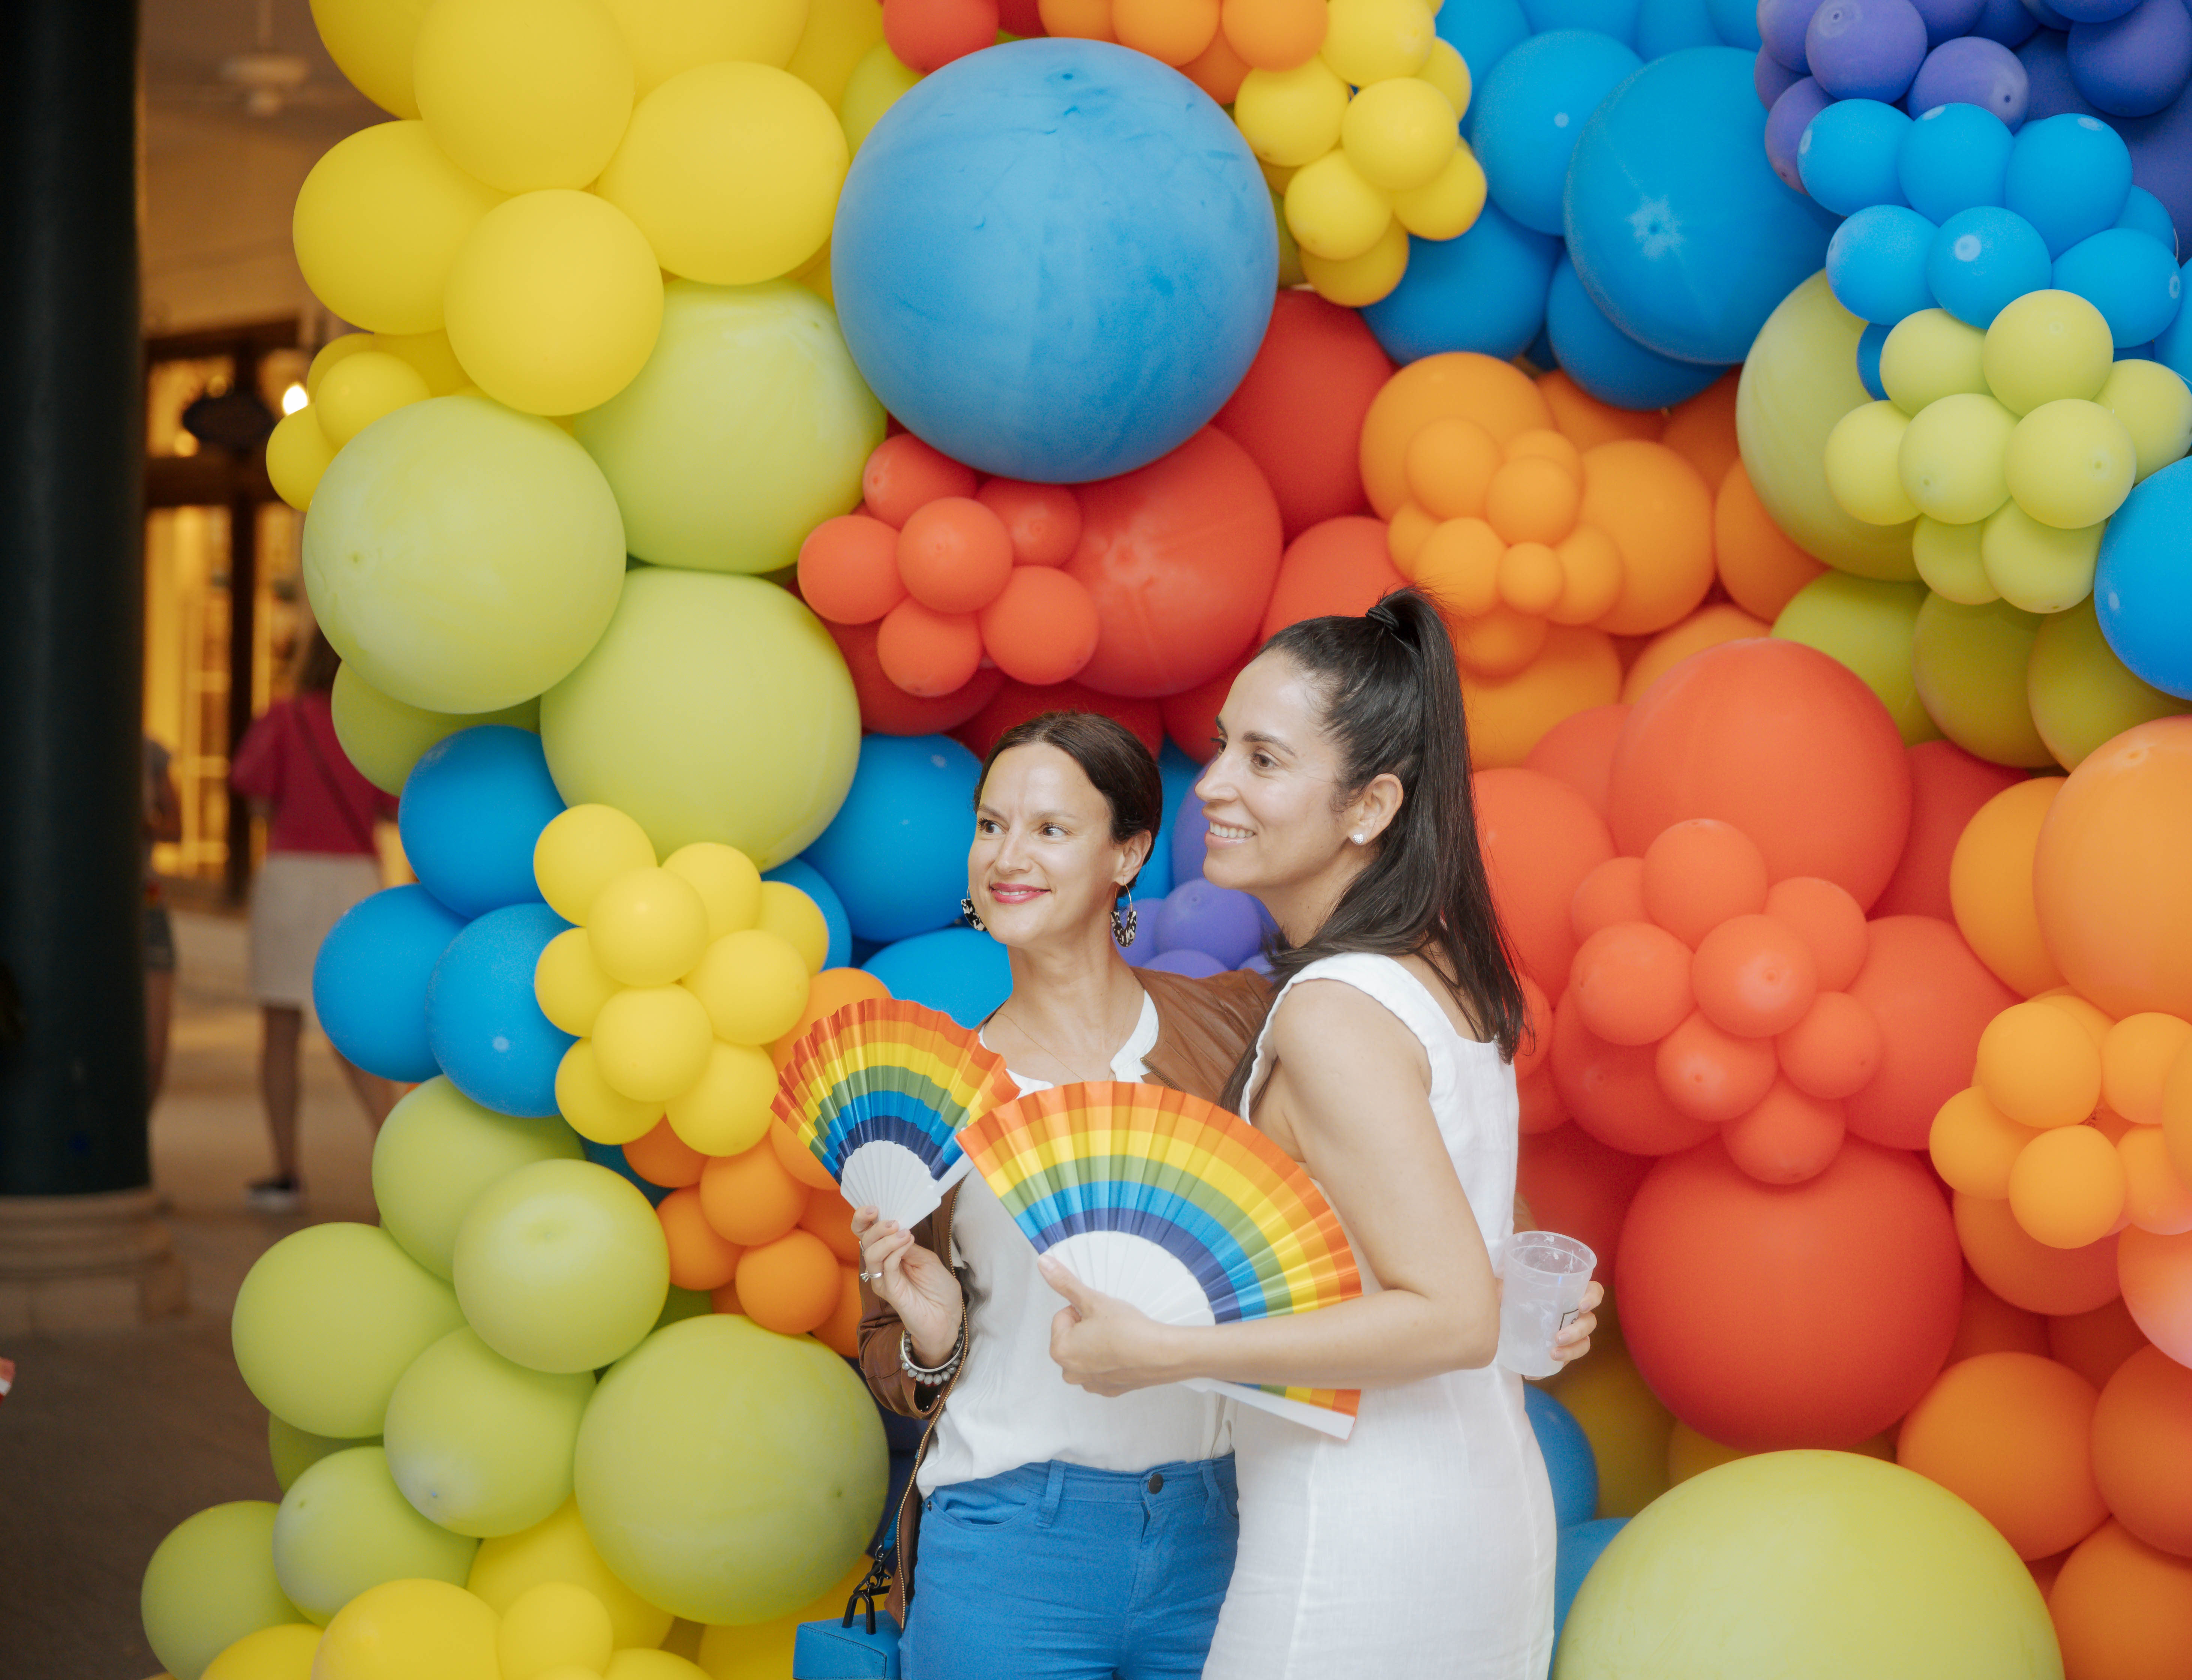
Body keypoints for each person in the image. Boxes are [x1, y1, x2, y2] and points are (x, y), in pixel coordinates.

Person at [1042, 591, 1599, 1680]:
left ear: (1368, 805)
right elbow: (1466, 1228)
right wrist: (1534, 1284)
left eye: (1261, 760)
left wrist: (1165, 1354)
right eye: (1219, 750)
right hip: (1474, 1504)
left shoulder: (1335, 1010)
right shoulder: (1439, 977)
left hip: (1363, 1533)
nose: (1210, 787)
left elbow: (1450, 1314)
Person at [851, 711, 1271, 1680]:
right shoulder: (929, 1095)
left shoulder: (1236, 1028)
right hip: (1007, 1539)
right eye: (990, 825)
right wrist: (932, 1334)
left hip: (1219, 1526)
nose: (1007, 856)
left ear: (1128, 853)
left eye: (1049, 829)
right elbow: (891, 1364)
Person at [228, 627, 400, 1211]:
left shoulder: (283, 718)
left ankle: (285, 1173)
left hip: (291, 877)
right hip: (354, 880)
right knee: (357, 1032)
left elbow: (253, 793)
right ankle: (399, 1166)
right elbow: (393, 804)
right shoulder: (369, 729)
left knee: (278, 1030)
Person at [144, 734, 182, 1108]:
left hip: (145, 901)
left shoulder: (149, 753)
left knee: (153, 1056)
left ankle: (136, 1134)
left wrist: (140, 826)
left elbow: (175, 827)